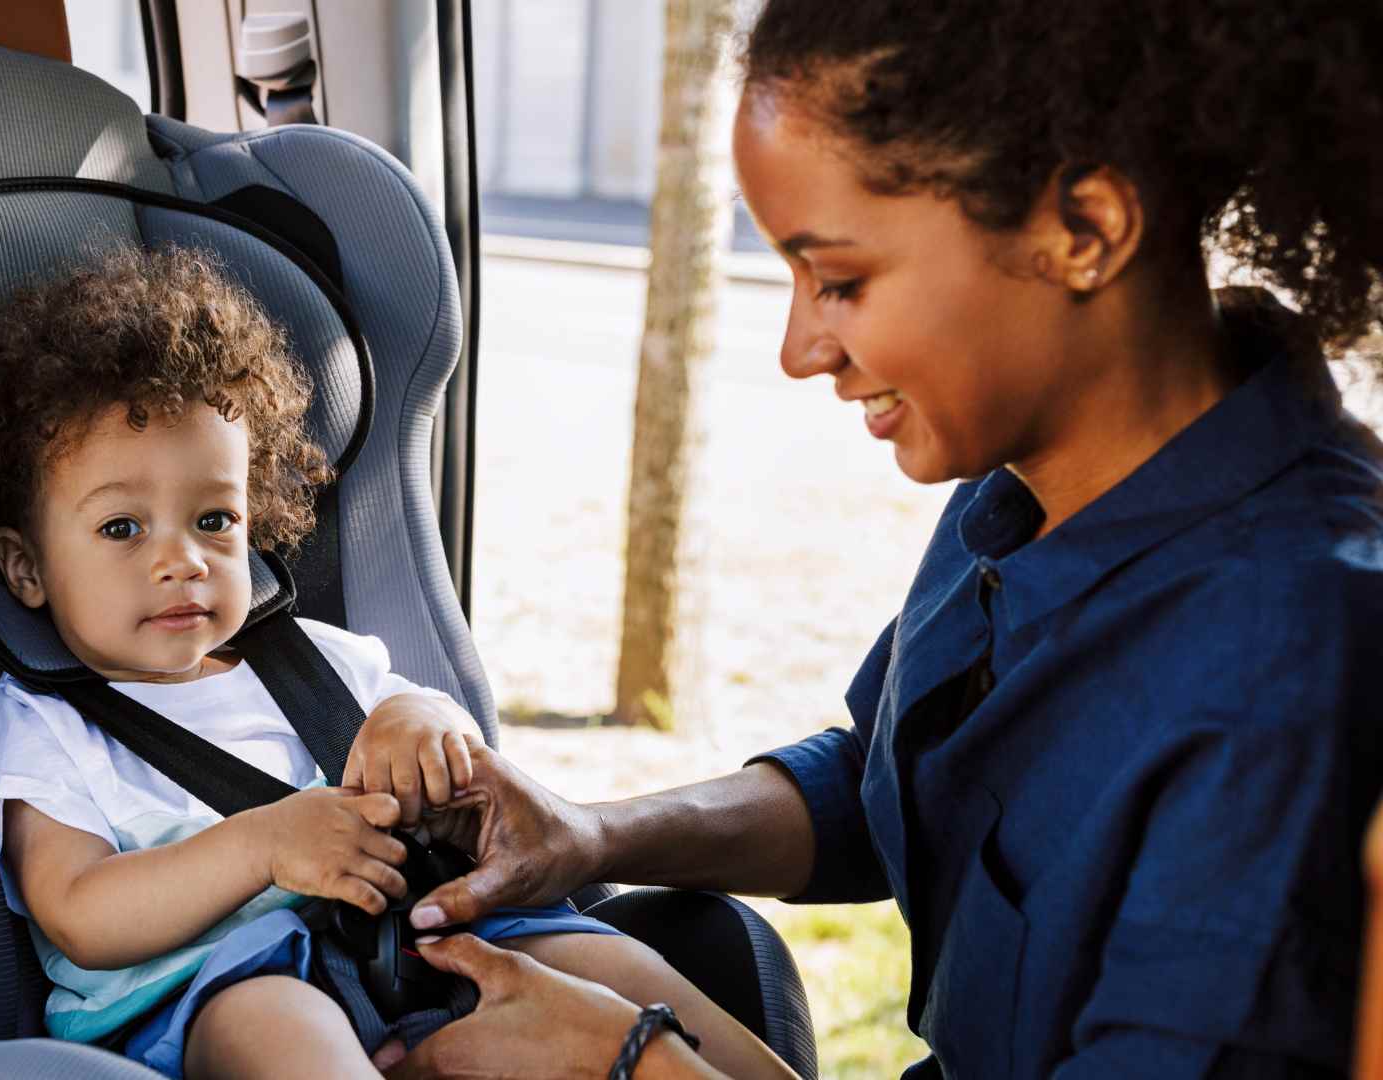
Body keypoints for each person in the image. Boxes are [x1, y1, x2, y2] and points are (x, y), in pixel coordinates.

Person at [390, 2, 1383, 1077]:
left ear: (1084, 232)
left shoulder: (1287, 658)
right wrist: (592, 834)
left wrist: (632, 1063)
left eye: (842, 282)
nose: (799, 349)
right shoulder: (1023, 486)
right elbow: (887, 783)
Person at [0, 246, 794, 1079]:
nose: (181, 559)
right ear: (25, 567)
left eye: (215, 520)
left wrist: (424, 725)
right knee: (276, 1023)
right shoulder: (47, 725)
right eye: (122, 529)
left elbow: (440, 731)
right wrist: (263, 845)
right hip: (211, 981)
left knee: (608, 963)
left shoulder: (320, 663)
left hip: (414, 932)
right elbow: (78, 911)